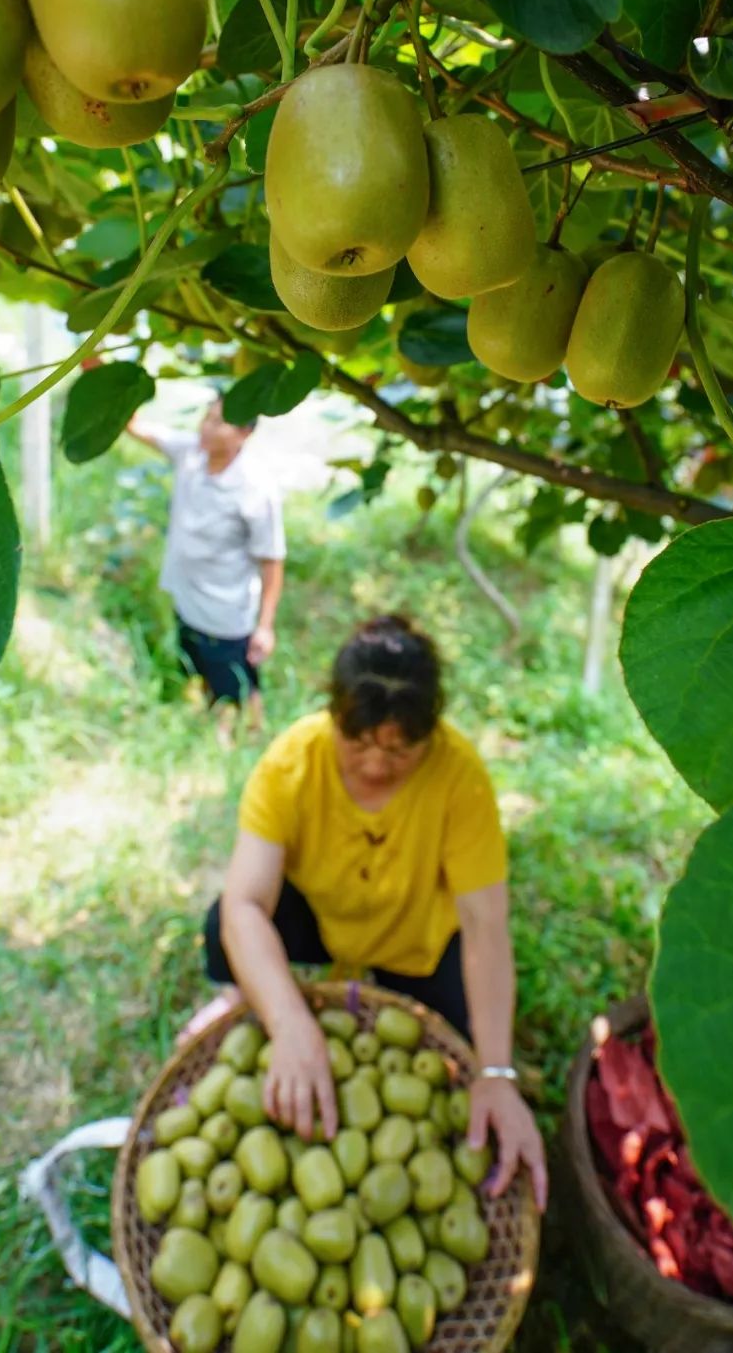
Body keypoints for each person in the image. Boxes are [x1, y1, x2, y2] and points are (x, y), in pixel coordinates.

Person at [192, 615, 548, 1210]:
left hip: (414, 937)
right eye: (357, 744)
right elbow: (247, 903)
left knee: (464, 1046)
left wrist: (497, 1073)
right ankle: (244, 995)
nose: (376, 765)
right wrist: (290, 1023)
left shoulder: (460, 779)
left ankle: (307, 993)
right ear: (333, 716)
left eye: (399, 750)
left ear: (429, 736)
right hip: (325, 912)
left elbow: (486, 927)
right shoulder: (291, 764)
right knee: (225, 926)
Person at [128, 396, 285, 728]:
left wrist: (265, 626)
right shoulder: (190, 453)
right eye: (206, 418)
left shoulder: (256, 489)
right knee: (199, 664)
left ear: (244, 433)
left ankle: (250, 736)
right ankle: (215, 724)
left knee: (238, 680)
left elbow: (272, 561)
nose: (206, 428)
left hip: (226, 612)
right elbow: (135, 427)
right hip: (187, 597)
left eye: (218, 422)